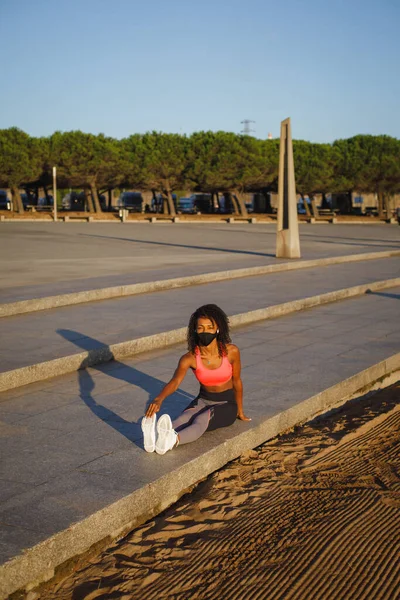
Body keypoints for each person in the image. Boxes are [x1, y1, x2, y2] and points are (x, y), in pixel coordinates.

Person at [141, 304, 251, 455]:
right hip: (203, 399)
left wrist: (240, 410)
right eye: (200, 328)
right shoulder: (190, 358)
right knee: (184, 418)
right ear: (195, 330)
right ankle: (153, 435)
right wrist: (159, 398)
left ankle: (173, 439)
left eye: (209, 327)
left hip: (226, 404)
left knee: (201, 420)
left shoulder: (231, 351)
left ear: (218, 328)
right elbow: (175, 382)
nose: (205, 331)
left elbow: (237, 381)